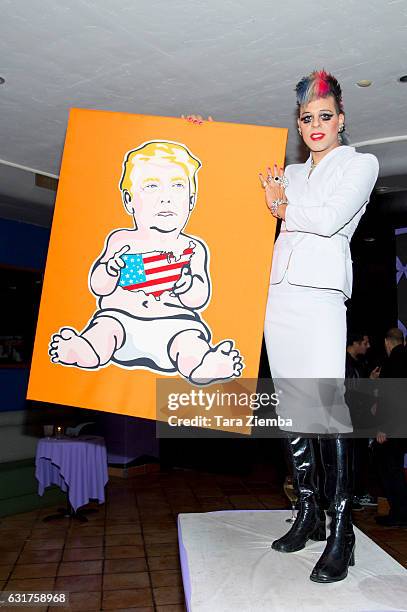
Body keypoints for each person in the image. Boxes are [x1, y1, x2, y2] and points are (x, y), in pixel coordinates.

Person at [260, 70, 379, 583]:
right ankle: (307, 510)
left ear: (341, 121)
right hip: (278, 298)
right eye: (306, 117)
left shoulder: (362, 164)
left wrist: (283, 205)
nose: (315, 125)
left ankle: (341, 530)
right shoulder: (289, 172)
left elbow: (330, 218)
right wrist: (202, 133)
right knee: (292, 410)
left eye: (324, 117)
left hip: (322, 298)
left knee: (327, 411)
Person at [49, 140, 243, 384]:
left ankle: (202, 367)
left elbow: (200, 297)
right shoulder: (121, 240)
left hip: (175, 325)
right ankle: (87, 350)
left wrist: (186, 286)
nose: (166, 198)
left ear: (191, 201)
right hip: (121, 319)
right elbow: (99, 287)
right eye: (151, 186)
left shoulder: (192, 248)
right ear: (129, 201)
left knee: (189, 342)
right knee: (104, 328)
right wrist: (110, 270)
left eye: (177, 186)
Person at [373, 327, 407, 526]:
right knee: (393, 466)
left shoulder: (393, 360)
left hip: (394, 424)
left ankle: (400, 514)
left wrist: (383, 427)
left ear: (387, 342)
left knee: (388, 467)